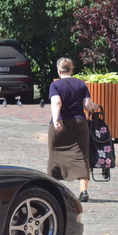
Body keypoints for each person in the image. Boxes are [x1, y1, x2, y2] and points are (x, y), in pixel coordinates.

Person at [47, 57, 100, 202]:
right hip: (79, 124)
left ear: (59, 71)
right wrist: (96, 106)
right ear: (71, 70)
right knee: (81, 156)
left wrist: (56, 120)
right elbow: (87, 106)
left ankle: (53, 189)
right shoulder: (80, 84)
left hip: (61, 123)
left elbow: (56, 103)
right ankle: (83, 191)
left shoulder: (55, 85)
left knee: (55, 155)